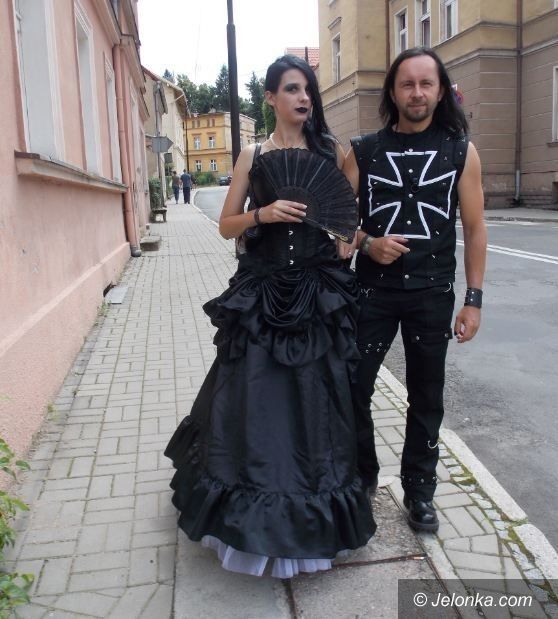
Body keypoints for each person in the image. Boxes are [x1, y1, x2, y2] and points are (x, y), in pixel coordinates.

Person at [165, 55, 376, 578]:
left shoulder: (333, 152)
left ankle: (313, 513)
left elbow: (347, 219)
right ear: (271, 98)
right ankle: (249, 513)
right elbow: (226, 226)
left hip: (316, 292)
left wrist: (347, 240)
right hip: (262, 293)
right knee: (253, 402)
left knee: (317, 402)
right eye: (292, 89)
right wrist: (263, 213)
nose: (303, 98)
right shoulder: (252, 155)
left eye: (308, 90)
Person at [341, 47, 487, 533]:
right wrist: (368, 243)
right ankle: (362, 477)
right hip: (372, 293)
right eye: (407, 83)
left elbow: (476, 228)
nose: (417, 92)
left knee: (427, 397)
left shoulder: (461, 151)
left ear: (441, 91)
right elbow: (335, 223)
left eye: (427, 83)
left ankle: (420, 492)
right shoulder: (363, 151)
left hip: (431, 294)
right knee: (352, 386)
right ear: (393, 92)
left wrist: (473, 300)